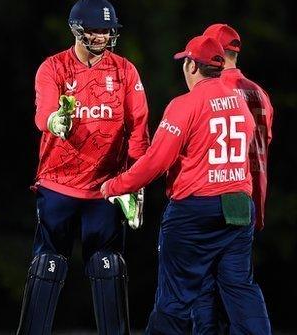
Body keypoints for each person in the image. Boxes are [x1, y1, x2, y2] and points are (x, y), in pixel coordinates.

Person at [100, 35, 272, 334]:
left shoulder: (185, 104)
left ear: (192, 65)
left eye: (186, 62)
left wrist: (115, 186)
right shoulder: (241, 105)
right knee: (239, 287)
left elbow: (155, 162)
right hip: (238, 206)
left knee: (176, 296)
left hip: (195, 210)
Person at [16, 0, 150, 334]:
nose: (102, 37)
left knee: (108, 266)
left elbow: (138, 127)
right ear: (77, 30)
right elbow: (42, 114)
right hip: (59, 183)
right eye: (95, 30)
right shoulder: (54, 67)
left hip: (106, 188)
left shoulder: (124, 70)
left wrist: (135, 181)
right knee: (47, 264)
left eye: (107, 30)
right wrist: (55, 121)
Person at [191, 23, 274, 335]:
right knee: (239, 286)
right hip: (250, 204)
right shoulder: (260, 94)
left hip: (214, 198)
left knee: (205, 288)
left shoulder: (209, 91)